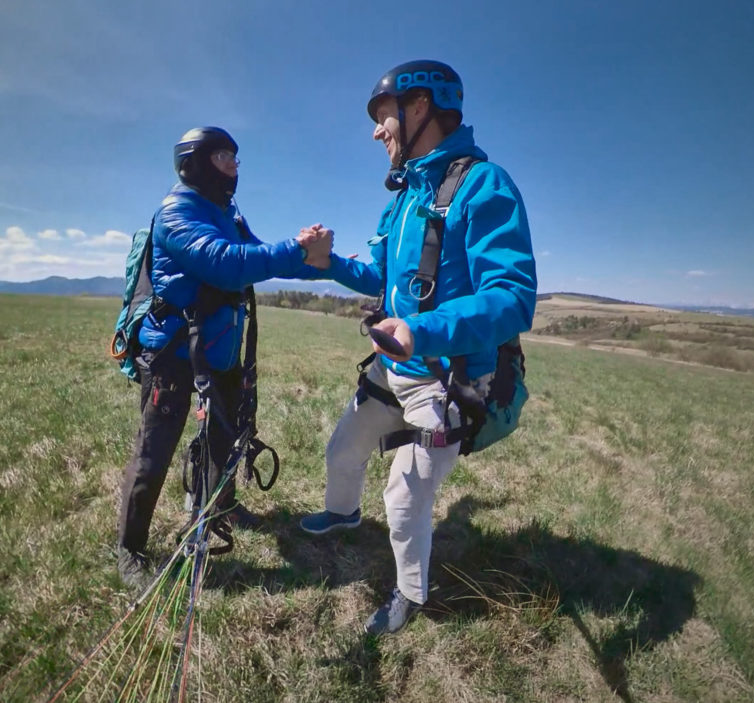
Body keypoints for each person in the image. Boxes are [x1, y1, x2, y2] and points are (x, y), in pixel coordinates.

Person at [298, 60, 538, 635]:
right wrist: (329, 262)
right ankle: (342, 512)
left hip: (445, 378)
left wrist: (422, 330)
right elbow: (379, 275)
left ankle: (411, 594)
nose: (377, 132)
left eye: (384, 118)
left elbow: (512, 298)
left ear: (420, 108)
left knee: (403, 504)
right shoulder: (404, 198)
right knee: (341, 453)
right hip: (393, 365)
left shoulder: (485, 187)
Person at [117, 126, 332, 588]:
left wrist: (319, 262)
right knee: (153, 454)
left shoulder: (227, 213)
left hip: (220, 352)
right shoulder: (176, 212)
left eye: (236, 157)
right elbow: (227, 263)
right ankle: (130, 549)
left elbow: (256, 255)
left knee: (225, 439)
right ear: (193, 163)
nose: (234, 165)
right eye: (223, 157)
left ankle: (216, 507)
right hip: (174, 357)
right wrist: (296, 248)